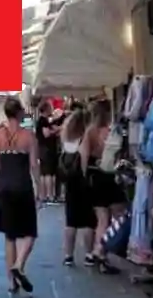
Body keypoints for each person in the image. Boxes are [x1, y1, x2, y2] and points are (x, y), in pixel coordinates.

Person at [0, 96, 40, 294]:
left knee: (9, 236)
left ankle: (11, 282)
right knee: (30, 232)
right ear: (19, 113)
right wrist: (40, 188)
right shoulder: (29, 136)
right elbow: (34, 165)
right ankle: (19, 264)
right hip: (23, 186)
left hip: (4, 186)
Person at [82, 100, 123, 275]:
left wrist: (85, 178)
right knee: (118, 215)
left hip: (95, 176)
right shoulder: (111, 131)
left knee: (102, 218)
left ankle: (99, 251)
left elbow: (84, 157)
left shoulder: (90, 132)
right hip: (111, 176)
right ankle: (102, 250)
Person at [59, 108, 96, 266]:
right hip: (82, 182)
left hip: (69, 183)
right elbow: (84, 162)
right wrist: (86, 178)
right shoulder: (84, 138)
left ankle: (68, 255)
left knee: (71, 221)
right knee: (88, 221)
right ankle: (89, 254)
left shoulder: (66, 138)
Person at [35, 101, 59, 203]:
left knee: (44, 173)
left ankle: (44, 195)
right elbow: (46, 134)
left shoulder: (44, 121)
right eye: (50, 108)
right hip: (47, 149)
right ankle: (50, 195)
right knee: (48, 173)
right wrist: (56, 131)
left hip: (43, 149)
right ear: (46, 109)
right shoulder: (43, 121)